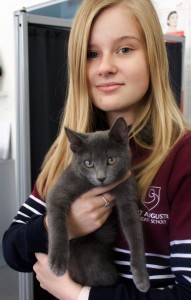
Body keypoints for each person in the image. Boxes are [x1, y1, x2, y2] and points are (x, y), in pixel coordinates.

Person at [3, 0, 191, 299]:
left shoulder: (183, 158)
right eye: (91, 54)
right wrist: (61, 224)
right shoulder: (70, 154)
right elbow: (13, 250)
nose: (105, 67)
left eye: (125, 49)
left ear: (154, 57)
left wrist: (79, 296)